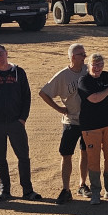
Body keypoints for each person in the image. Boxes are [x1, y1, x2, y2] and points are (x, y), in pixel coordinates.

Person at [0, 45, 42, 201]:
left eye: (1, 54)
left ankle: (27, 190)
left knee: (23, 157)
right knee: (0, 158)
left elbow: (26, 96)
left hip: (16, 123)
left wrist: (22, 119)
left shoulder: (18, 72)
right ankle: (4, 190)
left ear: (7, 54)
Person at [38, 43, 91, 205]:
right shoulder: (62, 76)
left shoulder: (88, 70)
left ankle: (82, 184)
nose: (85, 56)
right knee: (66, 155)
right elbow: (44, 93)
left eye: (85, 54)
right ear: (73, 57)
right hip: (71, 122)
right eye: (81, 54)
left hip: (88, 121)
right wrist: (59, 108)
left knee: (85, 152)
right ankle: (66, 189)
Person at [78, 53, 108, 205]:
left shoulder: (107, 76)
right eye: (94, 65)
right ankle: (95, 192)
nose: (98, 68)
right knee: (93, 159)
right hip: (90, 127)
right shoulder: (84, 80)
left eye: (100, 65)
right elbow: (94, 98)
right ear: (88, 66)